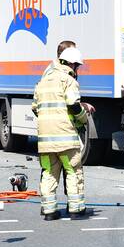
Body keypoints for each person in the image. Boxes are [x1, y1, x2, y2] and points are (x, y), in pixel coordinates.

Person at [31, 45, 93, 220]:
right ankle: (76, 209)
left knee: (49, 172)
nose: (78, 69)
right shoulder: (68, 81)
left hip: (45, 141)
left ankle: (49, 210)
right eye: (77, 66)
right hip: (66, 140)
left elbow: (35, 108)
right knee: (73, 171)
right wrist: (83, 119)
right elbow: (73, 105)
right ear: (72, 64)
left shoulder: (42, 82)